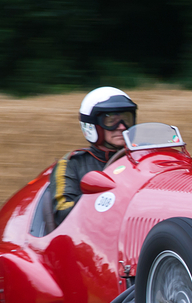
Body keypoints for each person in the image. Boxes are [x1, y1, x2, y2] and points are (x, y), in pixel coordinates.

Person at [50, 87, 137, 227]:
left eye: (126, 119)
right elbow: (62, 214)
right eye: (111, 120)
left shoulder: (140, 159)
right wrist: (102, 198)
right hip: (91, 237)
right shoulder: (72, 164)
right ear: (92, 125)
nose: (122, 127)